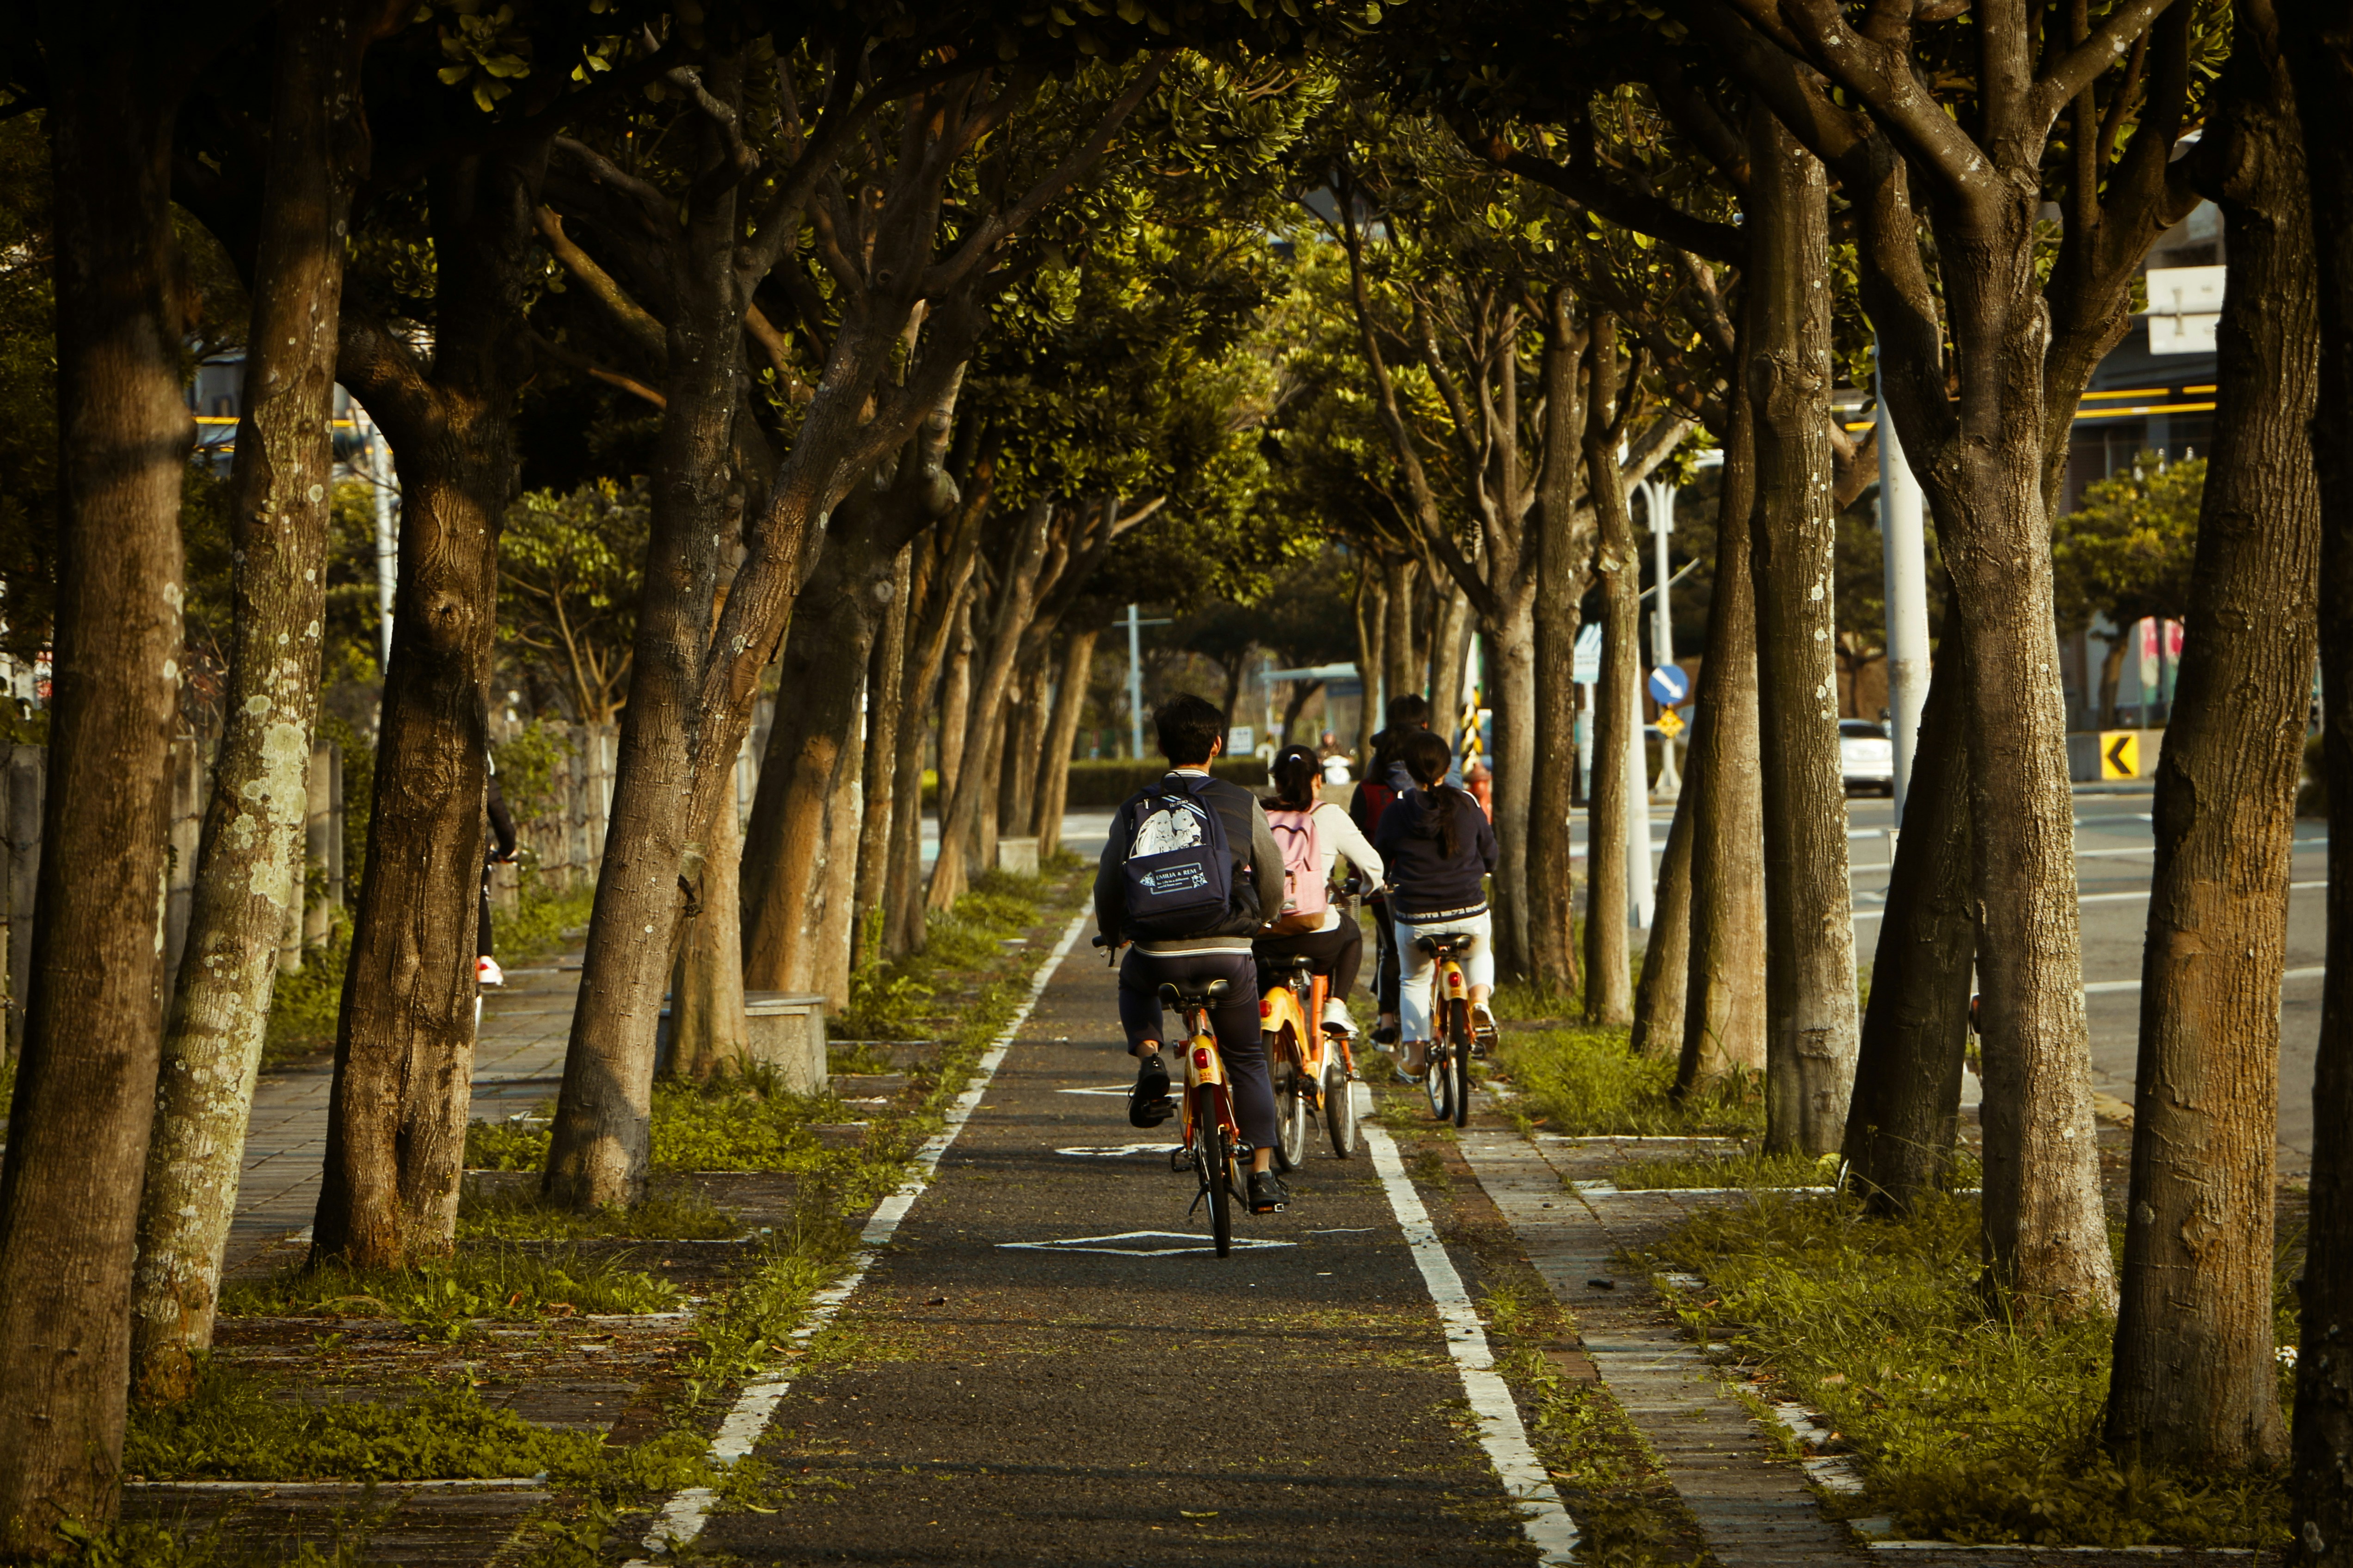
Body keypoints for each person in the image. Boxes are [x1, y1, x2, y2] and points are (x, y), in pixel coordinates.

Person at [1094, 693, 1291, 1214]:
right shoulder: (1240, 800)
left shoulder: (1136, 804)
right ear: (1217, 744)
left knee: (1134, 979)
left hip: (1157, 952)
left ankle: (1150, 1056)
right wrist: (1263, 918)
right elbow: (1272, 878)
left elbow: (1109, 881)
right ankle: (1264, 1173)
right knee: (1247, 1057)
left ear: (1160, 745)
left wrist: (1113, 932)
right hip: (1227, 949)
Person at [1374, 729, 1499, 1081]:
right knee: (1478, 954)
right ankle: (1478, 1003)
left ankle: (1415, 1058)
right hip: (1469, 912)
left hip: (1416, 918)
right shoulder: (1466, 803)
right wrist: (1486, 867)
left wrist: (1379, 880)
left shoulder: (1395, 811)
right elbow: (1490, 853)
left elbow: (1379, 862)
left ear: (1409, 770)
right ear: (1446, 768)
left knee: (1413, 979)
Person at [1253, 744, 1383, 1040]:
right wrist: (1363, 890)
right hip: (1315, 934)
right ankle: (1336, 1006)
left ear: (1277, 782)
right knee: (1350, 933)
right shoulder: (1330, 816)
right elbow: (1374, 868)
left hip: (1262, 935)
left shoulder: (1257, 814)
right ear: (1318, 780)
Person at [1350, 693, 1431, 1044]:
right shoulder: (1436, 783)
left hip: (1384, 885)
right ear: (1425, 727)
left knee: (1392, 947)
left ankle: (1386, 1021)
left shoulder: (1369, 787)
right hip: (1435, 879)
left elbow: (1354, 837)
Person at [479, 761, 518, 987]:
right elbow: (500, 816)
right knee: (476, 894)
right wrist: (507, 849)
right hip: (469, 849)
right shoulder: (477, 768)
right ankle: (484, 959)